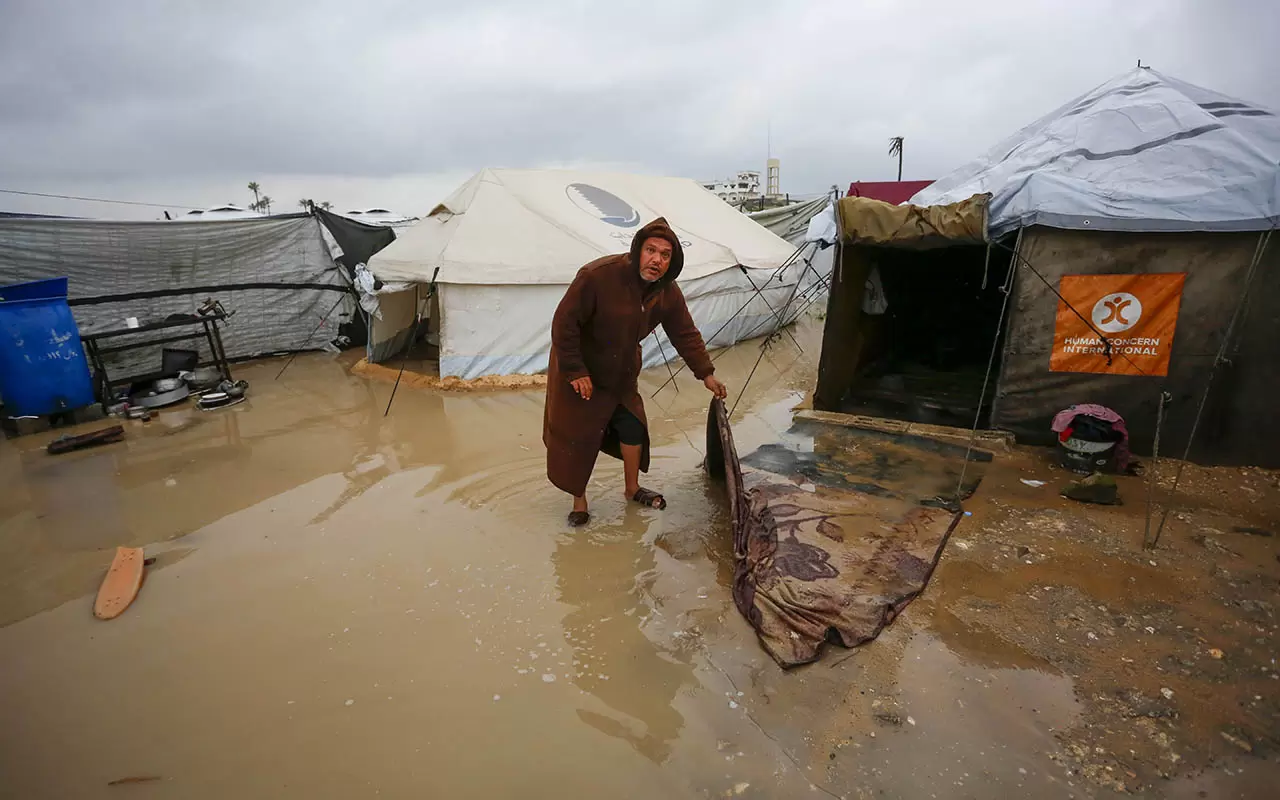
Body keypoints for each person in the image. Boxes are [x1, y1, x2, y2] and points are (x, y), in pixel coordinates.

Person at [544, 217, 727, 526]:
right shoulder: (597, 276)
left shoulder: (666, 291)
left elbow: (685, 332)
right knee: (580, 436)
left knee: (632, 427)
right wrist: (575, 371)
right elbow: (564, 323)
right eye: (651, 250)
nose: (657, 259)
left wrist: (706, 373)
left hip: (621, 372)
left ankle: (631, 489)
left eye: (665, 255)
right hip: (582, 370)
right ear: (638, 250)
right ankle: (580, 501)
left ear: (672, 262)